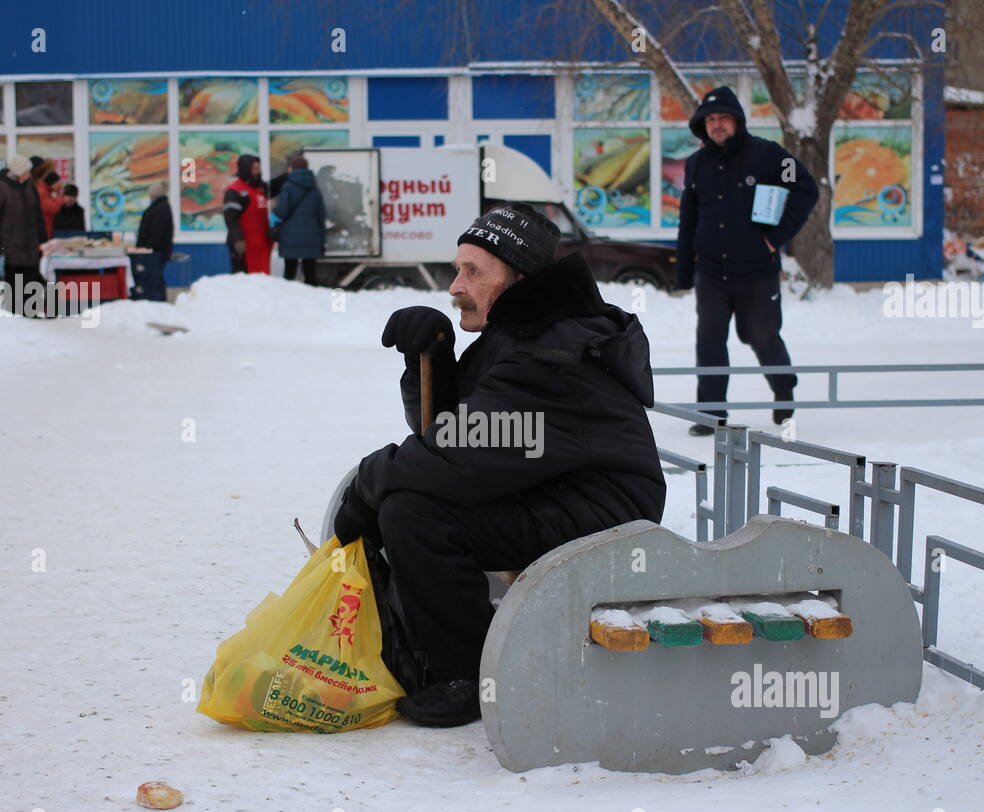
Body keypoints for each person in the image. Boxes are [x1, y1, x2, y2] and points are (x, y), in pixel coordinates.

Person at [332, 202, 666, 727]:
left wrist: (365, 490)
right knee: (414, 501)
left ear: (517, 277)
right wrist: (434, 359)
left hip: (605, 516)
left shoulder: (551, 350)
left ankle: (467, 676)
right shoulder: (520, 332)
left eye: (473, 272)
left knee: (414, 512)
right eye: (456, 269)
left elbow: (461, 453)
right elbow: (454, 434)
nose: (454, 287)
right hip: (550, 490)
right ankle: (446, 657)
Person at [674, 86, 818, 435]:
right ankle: (711, 414)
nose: (717, 125)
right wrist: (683, 271)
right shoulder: (695, 165)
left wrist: (774, 238)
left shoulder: (767, 156)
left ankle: (783, 391)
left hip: (756, 271)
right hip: (710, 271)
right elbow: (688, 219)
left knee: (762, 336)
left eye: (723, 118)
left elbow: (806, 187)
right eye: (710, 119)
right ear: (702, 125)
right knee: (709, 341)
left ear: (737, 121)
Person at [0, 154, 48, 318]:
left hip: (30, 244)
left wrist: (43, 240)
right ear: (20, 171)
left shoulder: (29, 187)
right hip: (10, 244)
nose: (29, 173)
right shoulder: (2, 187)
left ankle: (32, 312)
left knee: (31, 278)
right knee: (14, 280)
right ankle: (15, 314)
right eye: (27, 170)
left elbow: (38, 216)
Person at [273, 153, 326, 285]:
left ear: (291, 169)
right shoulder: (315, 190)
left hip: (290, 237)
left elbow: (282, 212)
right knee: (310, 272)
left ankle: (289, 299)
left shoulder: (288, 188)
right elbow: (321, 216)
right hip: (311, 236)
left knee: (290, 271)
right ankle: (312, 298)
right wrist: (322, 240)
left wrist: (274, 210)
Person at [223, 154, 271, 274]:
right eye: (254, 169)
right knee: (244, 282)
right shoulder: (234, 191)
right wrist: (238, 240)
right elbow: (231, 219)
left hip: (261, 245)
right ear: (246, 169)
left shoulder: (261, 188)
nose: (257, 172)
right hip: (243, 246)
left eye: (258, 169)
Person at [134, 181, 173, 302]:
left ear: (155, 195)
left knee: (155, 279)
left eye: (150, 194)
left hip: (155, 252)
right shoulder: (160, 207)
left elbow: (156, 232)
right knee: (156, 278)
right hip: (156, 251)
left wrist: (148, 248)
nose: (149, 196)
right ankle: (159, 301)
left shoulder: (160, 208)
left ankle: (159, 302)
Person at [30, 159, 64, 240]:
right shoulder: (41, 190)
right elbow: (52, 208)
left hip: (44, 231)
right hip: (41, 233)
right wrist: (60, 195)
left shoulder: (44, 190)